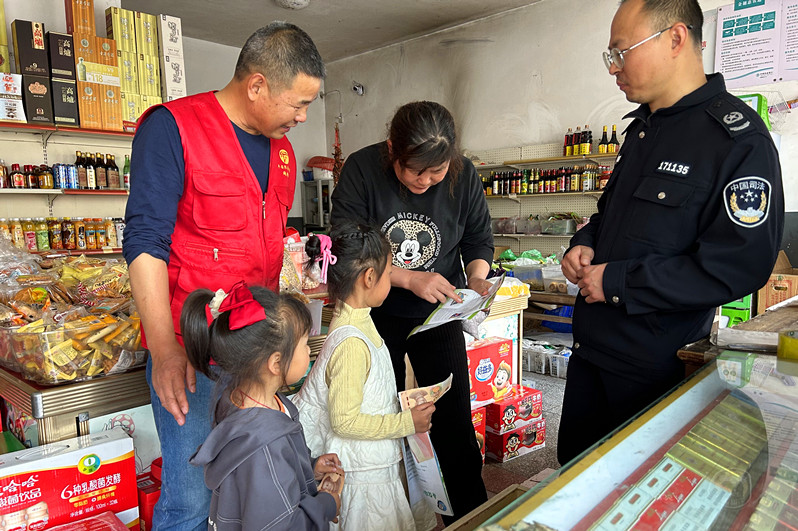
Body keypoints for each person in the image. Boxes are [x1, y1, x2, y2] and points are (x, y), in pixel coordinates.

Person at [557, 0, 784, 465]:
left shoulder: (737, 141)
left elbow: (737, 268)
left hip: (651, 373)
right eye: (609, 56)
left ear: (676, 39)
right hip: (589, 358)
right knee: (573, 479)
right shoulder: (641, 131)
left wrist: (617, 282)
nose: (613, 68)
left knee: (632, 495)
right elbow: (610, 217)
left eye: (621, 52)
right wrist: (583, 243)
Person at [122, 22, 325, 530]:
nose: (303, 117)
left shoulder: (280, 149)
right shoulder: (172, 128)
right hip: (190, 352)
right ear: (256, 85)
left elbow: (268, 248)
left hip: (253, 349)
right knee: (191, 499)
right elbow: (146, 245)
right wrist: (165, 350)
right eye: (297, 104)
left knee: (257, 483)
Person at [330, 101, 493, 522]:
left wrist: (476, 281)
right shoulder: (363, 169)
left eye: (435, 172)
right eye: (414, 171)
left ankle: (469, 516)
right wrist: (408, 276)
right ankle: (385, 515)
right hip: (374, 310)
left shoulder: (464, 175)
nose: (425, 181)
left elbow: (478, 239)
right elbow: (346, 243)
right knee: (377, 416)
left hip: (437, 314)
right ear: (391, 149)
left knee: (452, 419)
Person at [294, 223, 436, 531]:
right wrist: (406, 423)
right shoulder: (351, 343)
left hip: (370, 462)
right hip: (362, 473)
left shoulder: (355, 322)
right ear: (369, 278)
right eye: (388, 274)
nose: (389, 280)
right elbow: (344, 420)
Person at [185, 281, 343, 530]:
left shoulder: (237, 399)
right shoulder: (266, 447)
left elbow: (270, 483)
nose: (308, 351)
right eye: (304, 344)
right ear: (276, 363)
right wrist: (326, 503)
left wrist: (309, 467)